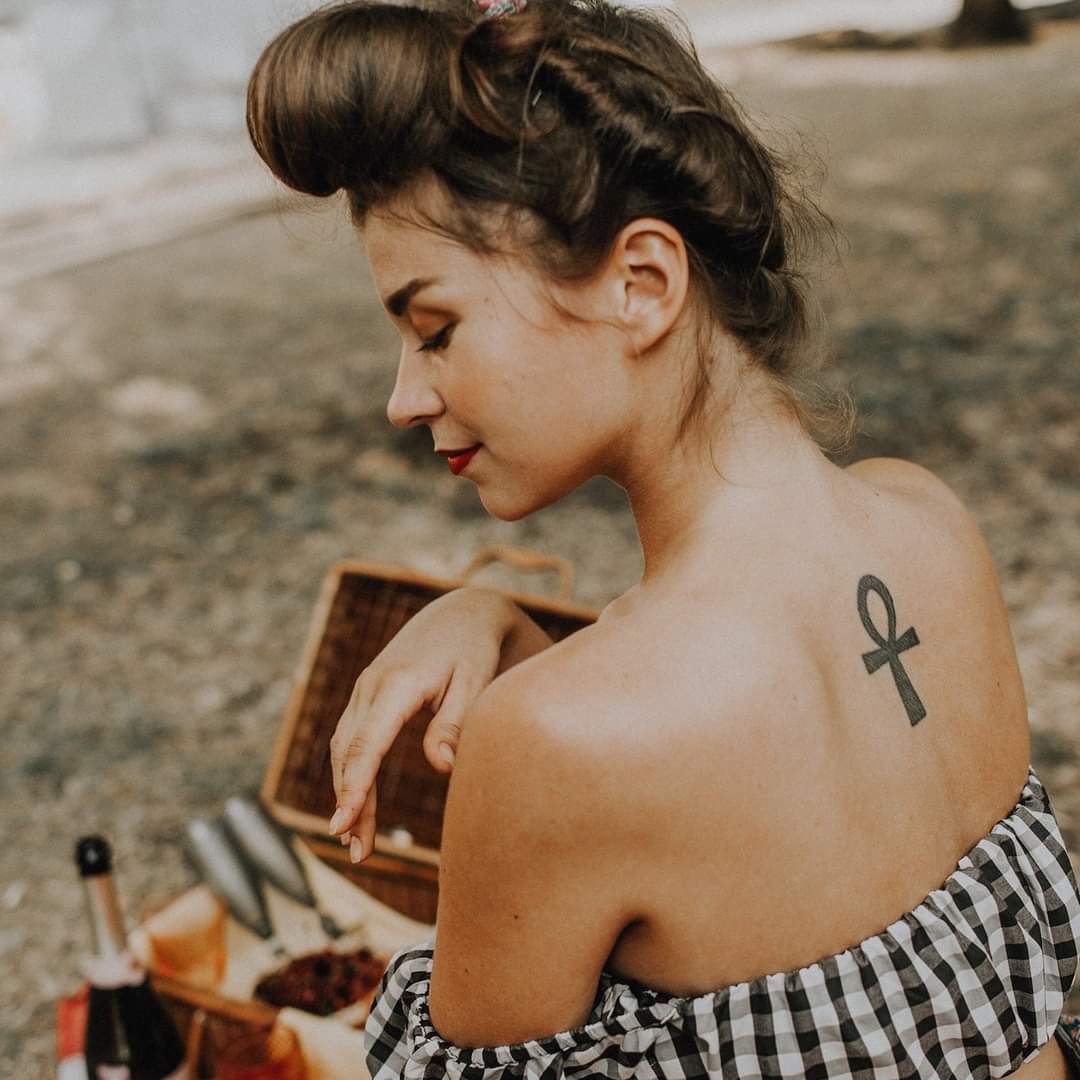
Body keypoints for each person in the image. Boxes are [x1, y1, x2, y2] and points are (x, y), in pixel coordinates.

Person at [245, 0, 1080, 1074]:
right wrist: (503, 623)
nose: (404, 399)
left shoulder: (550, 745)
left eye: (436, 329)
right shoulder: (930, 522)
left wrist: (518, 704)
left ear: (642, 284)